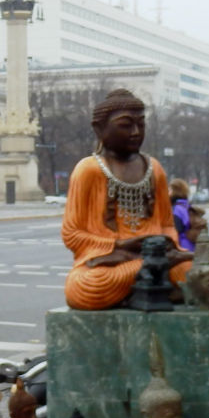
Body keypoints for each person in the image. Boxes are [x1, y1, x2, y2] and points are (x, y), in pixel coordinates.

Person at [61, 88, 192, 310]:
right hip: (112, 261)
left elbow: (167, 225)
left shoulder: (154, 169)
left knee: (195, 272)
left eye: (141, 124)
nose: (135, 132)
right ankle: (151, 282)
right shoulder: (88, 170)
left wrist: (163, 243)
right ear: (99, 129)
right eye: (126, 125)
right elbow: (72, 234)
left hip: (157, 257)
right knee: (84, 287)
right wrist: (119, 244)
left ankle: (148, 281)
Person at [169, 177, 205, 252]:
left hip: (181, 247)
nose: (167, 192)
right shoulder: (186, 205)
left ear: (175, 191)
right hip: (191, 245)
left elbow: (176, 230)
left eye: (170, 190)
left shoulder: (176, 208)